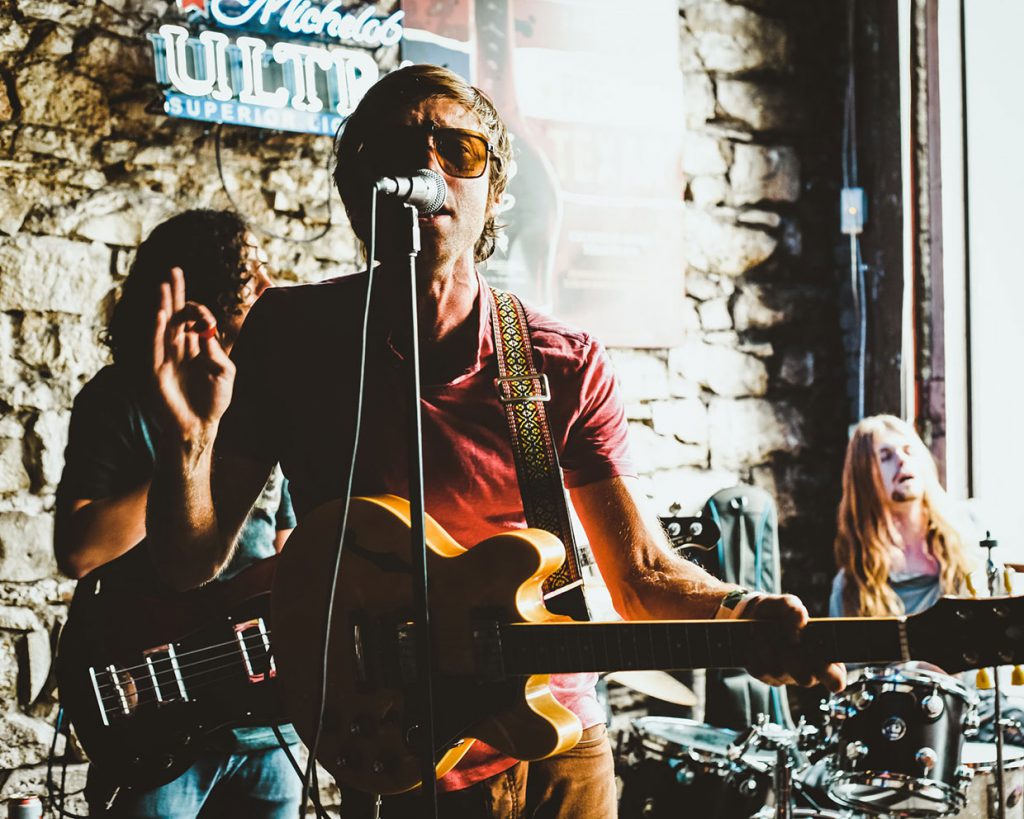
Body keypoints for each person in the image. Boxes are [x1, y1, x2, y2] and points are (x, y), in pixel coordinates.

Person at [144, 65, 845, 818]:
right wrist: (190, 443)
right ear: (362, 188)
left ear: (494, 191)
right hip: (396, 753)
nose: (430, 165)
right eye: (400, 146)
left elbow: (638, 576)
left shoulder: (560, 360)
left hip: (557, 742)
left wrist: (744, 614)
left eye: (460, 149)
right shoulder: (290, 334)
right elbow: (189, 563)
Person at [54, 209, 303, 818]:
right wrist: (186, 441)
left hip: (264, 718)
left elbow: (286, 542)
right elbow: (79, 551)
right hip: (154, 704)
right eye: (252, 275)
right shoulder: (119, 400)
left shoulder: (268, 399)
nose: (272, 287)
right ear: (205, 302)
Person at [830, 414, 975, 618]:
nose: (902, 460)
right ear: (865, 478)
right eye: (886, 456)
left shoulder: (968, 542)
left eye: (909, 451)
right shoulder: (851, 587)